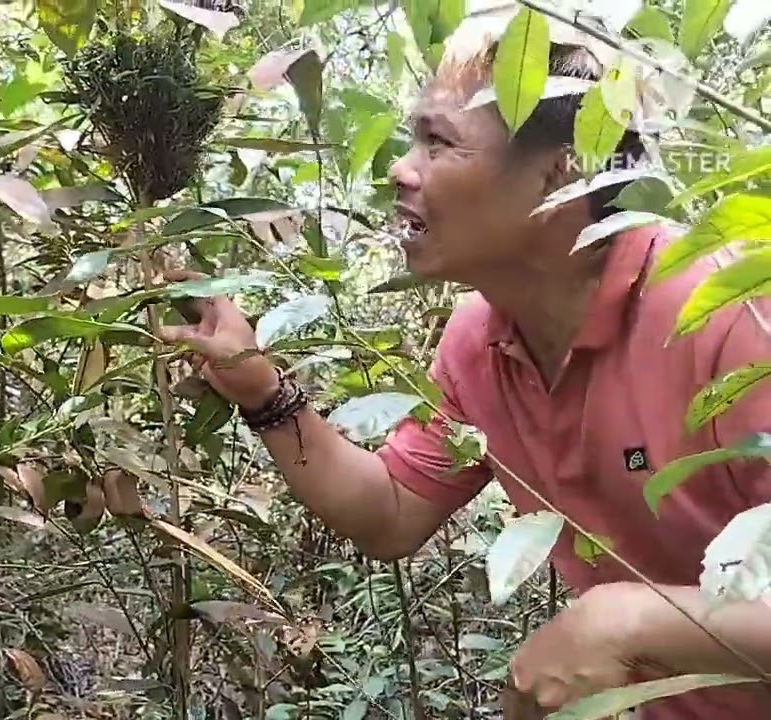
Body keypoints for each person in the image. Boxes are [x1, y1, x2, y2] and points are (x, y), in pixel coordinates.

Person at [156, 34, 771, 720]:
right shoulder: (480, 338)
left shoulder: (728, 315)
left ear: (560, 174)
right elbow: (393, 512)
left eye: (439, 142)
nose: (401, 170)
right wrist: (261, 391)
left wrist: (626, 622)